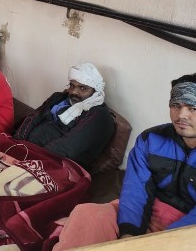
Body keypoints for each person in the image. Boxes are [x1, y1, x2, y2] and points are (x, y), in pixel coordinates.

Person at [52, 74, 196, 250]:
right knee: (88, 214)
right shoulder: (151, 139)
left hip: (188, 227)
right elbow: (135, 188)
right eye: (176, 105)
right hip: (146, 211)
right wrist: (129, 234)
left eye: (192, 108)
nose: (182, 115)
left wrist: (161, 242)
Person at [13, 62, 115, 169]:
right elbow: (33, 117)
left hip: (54, 165)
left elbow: (67, 147)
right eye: (72, 85)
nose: (74, 92)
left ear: (95, 91)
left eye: (83, 88)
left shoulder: (98, 115)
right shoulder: (59, 97)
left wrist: (31, 159)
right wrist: (16, 142)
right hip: (26, 151)